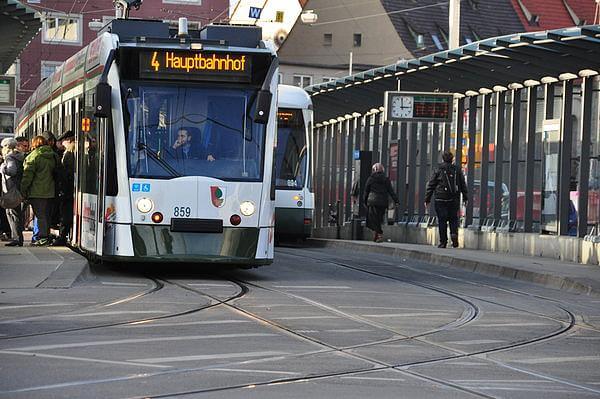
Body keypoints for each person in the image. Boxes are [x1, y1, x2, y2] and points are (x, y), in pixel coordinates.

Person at [424, 150, 468, 248]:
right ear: (452, 159)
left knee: (442, 220)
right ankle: (454, 237)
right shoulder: (457, 169)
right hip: (453, 199)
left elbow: (431, 185)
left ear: (443, 158)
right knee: (453, 219)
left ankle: (443, 242)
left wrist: (427, 199)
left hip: (440, 199)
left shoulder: (438, 169)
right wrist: (465, 197)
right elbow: (462, 185)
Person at [20, 135, 57, 246]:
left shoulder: (34, 156)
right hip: (51, 191)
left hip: (37, 192)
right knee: (46, 215)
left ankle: (42, 238)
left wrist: (23, 189)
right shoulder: (53, 155)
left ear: (34, 144)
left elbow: (27, 176)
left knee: (40, 215)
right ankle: (45, 236)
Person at [364, 163, 399, 243]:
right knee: (379, 219)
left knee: (373, 219)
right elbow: (391, 191)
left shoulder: (371, 179)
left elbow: (366, 191)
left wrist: (365, 201)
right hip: (383, 203)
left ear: (374, 170)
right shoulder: (386, 179)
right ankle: (377, 233)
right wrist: (396, 201)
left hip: (372, 202)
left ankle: (379, 233)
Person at [0, 138, 25, 246]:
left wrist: (3, 167)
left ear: (6, 147)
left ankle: (17, 238)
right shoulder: (19, 156)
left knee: (12, 213)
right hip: (17, 188)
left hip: (11, 189)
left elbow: (12, 171)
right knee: (15, 213)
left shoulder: (9, 157)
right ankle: (17, 238)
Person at [53, 130, 75, 246]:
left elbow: (67, 173)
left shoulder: (69, 154)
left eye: (64, 141)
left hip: (67, 190)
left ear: (68, 140)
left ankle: (62, 236)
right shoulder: (70, 153)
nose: (62, 143)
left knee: (65, 214)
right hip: (69, 190)